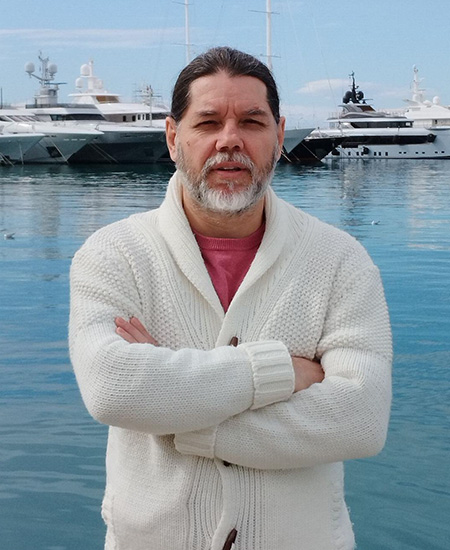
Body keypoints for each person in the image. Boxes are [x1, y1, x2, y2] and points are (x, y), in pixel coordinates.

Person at [69, 46, 392, 550]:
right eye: (208, 122)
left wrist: (184, 420)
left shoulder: (339, 259)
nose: (230, 140)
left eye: (251, 122)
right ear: (173, 137)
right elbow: (113, 388)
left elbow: (361, 420)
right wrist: (280, 372)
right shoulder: (114, 253)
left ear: (279, 136)